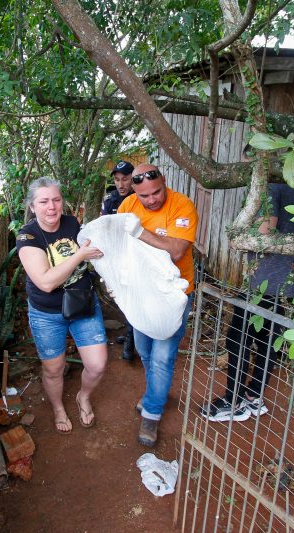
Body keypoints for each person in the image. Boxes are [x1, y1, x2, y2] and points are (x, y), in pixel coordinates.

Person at [201, 181, 294, 422]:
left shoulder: (269, 189)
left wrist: (238, 238)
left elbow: (265, 231)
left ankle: (233, 400)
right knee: (267, 342)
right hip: (287, 280)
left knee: (236, 341)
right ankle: (254, 395)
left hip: (263, 283)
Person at [16, 178, 108, 434]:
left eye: (56, 200)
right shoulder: (27, 236)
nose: (52, 207)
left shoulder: (72, 223)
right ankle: (58, 406)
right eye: (43, 201)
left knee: (97, 364)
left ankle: (83, 396)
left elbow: (95, 251)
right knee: (54, 368)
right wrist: (79, 255)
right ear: (32, 206)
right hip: (47, 313)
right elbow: (45, 282)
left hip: (82, 303)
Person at [118, 163, 198, 446]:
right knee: (144, 350)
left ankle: (151, 414)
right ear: (133, 192)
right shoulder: (126, 205)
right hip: (141, 293)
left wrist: (140, 233)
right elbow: (120, 245)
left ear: (164, 182)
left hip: (173, 294)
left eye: (157, 192)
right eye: (145, 196)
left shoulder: (182, 205)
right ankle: (157, 392)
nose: (152, 199)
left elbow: (177, 251)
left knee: (163, 356)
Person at [101, 160, 137, 361]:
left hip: (136, 256)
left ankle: (132, 340)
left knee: (134, 296)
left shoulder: (141, 198)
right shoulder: (110, 200)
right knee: (123, 298)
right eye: (117, 180)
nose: (121, 184)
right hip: (117, 256)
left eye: (125, 179)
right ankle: (133, 332)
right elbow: (105, 228)